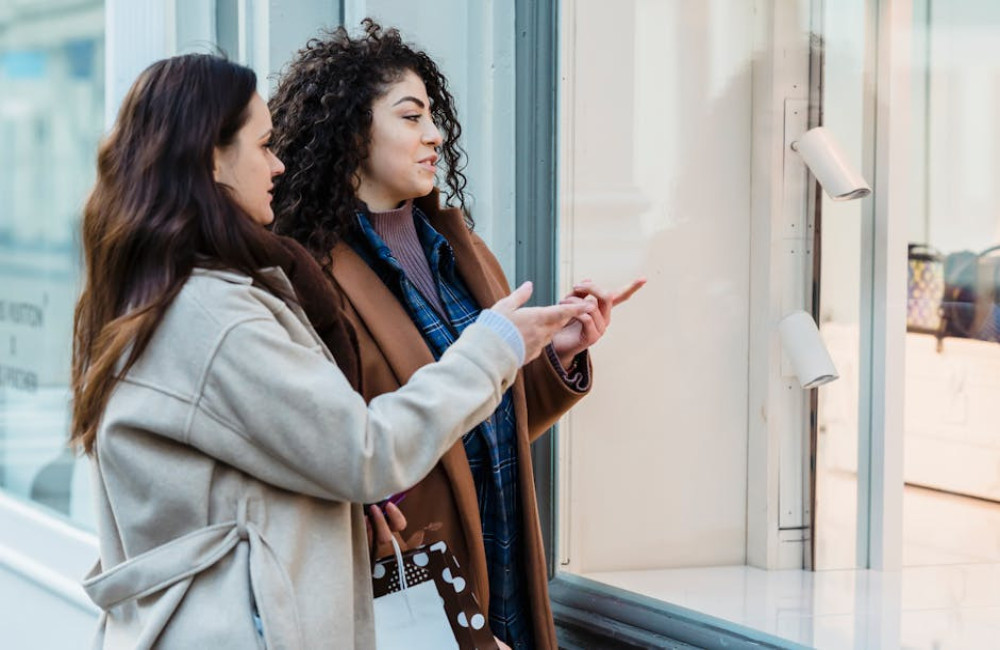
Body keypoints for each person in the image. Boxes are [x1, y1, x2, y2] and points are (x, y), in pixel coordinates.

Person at [70, 53, 591, 648]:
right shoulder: (215, 315)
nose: (279, 163)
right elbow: (365, 452)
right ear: (213, 156)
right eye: (264, 146)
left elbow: (292, 460)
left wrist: (543, 361)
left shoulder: (181, 293)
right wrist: (494, 347)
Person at [269, 21, 645, 649]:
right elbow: (340, 450)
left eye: (432, 117)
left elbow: (476, 419)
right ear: (351, 132)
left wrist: (556, 355)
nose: (434, 134)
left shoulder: (462, 250)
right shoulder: (311, 276)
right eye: (411, 117)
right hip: (410, 584)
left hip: (505, 564)